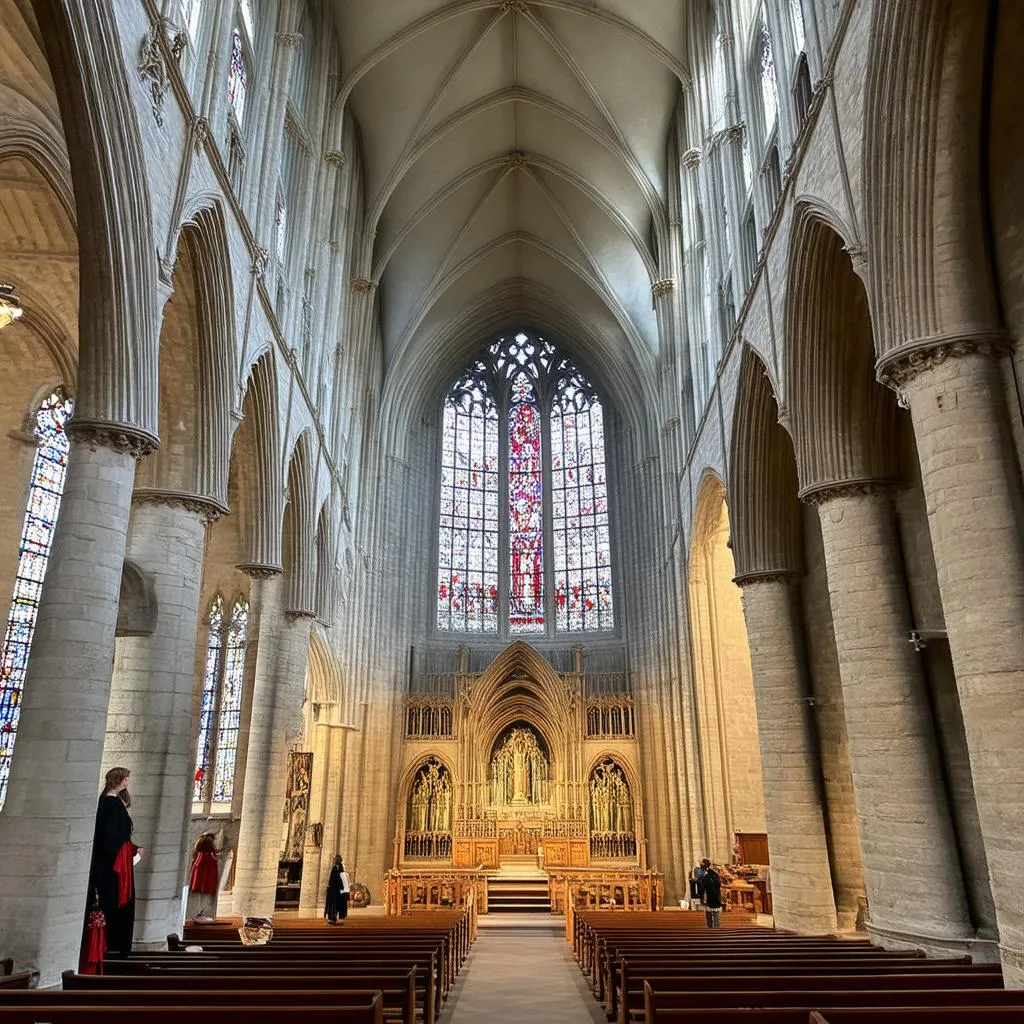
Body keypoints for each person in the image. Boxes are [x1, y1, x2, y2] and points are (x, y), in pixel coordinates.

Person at [85, 767, 143, 959]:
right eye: (125, 779)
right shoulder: (109, 803)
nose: (127, 782)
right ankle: (113, 950)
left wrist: (132, 849)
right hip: (111, 867)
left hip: (117, 860)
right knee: (113, 904)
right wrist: (130, 850)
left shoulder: (114, 802)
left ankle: (117, 948)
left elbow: (119, 836)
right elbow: (111, 838)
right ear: (118, 780)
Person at [188, 832, 221, 923]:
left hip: (200, 872)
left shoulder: (200, 854)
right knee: (204, 894)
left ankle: (199, 912)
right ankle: (200, 913)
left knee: (200, 894)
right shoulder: (208, 856)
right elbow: (213, 862)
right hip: (207, 875)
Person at [697, 858, 723, 929]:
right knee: (712, 915)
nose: (700, 866)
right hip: (713, 897)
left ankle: (713, 931)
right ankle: (712, 930)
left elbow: (704, 886)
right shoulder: (712, 873)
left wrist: (701, 895)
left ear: (703, 865)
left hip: (711, 897)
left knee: (713, 915)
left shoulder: (708, 874)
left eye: (701, 864)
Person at [324, 855, 350, 924]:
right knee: (338, 905)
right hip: (339, 890)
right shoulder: (339, 868)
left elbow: (333, 880)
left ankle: (333, 918)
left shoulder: (336, 868)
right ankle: (336, 918)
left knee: (335, 905)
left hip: (336, 890)